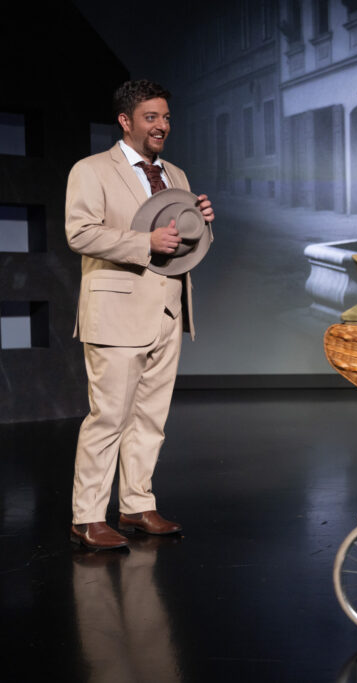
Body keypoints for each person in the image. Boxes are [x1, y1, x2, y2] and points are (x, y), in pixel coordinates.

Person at [66, 80, 215, 550]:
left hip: (168, 310)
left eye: (166, 117)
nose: (162, 126)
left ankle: (136, 504)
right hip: (116, 312)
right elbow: (80, 233)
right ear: (125, 121)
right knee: (108, 417)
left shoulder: (176, 174)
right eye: (151, 117)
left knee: (151, 417)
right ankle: (87, 517)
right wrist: (142, 243)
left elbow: (183, 245)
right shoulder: (92, 170)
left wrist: (201, 223)